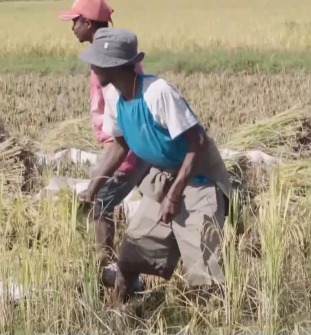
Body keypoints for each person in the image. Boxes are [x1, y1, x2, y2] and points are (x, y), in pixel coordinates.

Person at [77, 27, 235, 305]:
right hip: (166, 180)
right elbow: (120, 145)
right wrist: (94, 187)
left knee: (204, 275)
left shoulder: (157, 93)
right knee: (130, 256)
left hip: (199, 182)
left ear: (115, 65)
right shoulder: (116, 99)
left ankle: (216, 318)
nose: (91, 66)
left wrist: (174, 197)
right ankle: (119, 315)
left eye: (96, 62)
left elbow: (197, 142)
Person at [58, 0, 150, 287]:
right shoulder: (109, 55)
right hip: (129, 143)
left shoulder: (109, 64)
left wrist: (94, 185)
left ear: (87, 22)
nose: (72, 27)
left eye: (75, 20)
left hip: (125, 147)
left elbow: (123, 134)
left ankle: (107, 267)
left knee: (101, 202)